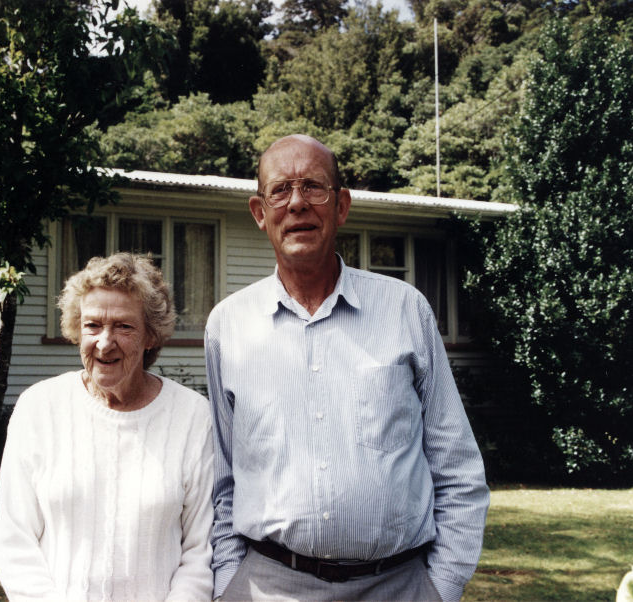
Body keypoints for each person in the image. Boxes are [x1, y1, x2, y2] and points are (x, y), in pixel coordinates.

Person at [205, 135, 489, 601]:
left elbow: (456, 466)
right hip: (267, 587)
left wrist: (440, 586)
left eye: (314, 187)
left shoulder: (404, 309)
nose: (297, 203)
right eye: (280, 190)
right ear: (259, 212)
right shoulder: (228, 326)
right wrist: (227, 582)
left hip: (398, 587)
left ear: (341, 206)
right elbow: (224, 478)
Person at [0, 252, 214, 601]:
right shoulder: (39, 408)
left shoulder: (192, 417)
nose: (105, 342)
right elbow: (13, 541)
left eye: (124, 327)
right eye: (92, 325)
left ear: (150, 337)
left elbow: (201, 551)